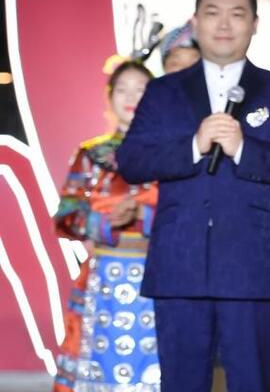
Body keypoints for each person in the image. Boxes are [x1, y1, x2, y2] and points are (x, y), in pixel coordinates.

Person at [116, 0, 270, 392]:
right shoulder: (164, 91)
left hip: (252, 271)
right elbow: (131, 161)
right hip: (179, 268)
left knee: (252, 383)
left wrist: (244, 149)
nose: (224, 24)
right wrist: (193, 146)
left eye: (237, 14)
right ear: (195, 22)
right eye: (213, 13)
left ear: (255, 23)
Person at [53, 60, 158, 391]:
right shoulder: (91, 155)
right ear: (109, 97)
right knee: (97, 365)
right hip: (102, 279)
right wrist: (106, 222)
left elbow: (188, 215)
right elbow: (67, 216)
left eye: (140, 90)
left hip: (159, 276)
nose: (131, 98)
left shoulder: (171, 155)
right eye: (122, 90)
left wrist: (142, 216)